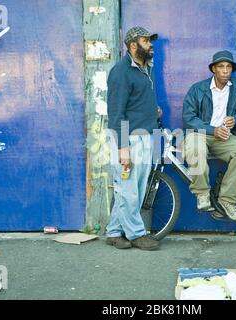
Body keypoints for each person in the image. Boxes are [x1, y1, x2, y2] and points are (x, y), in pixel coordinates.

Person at [106, 26, 161, 250]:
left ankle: (113, 232)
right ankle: (137, 234)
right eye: (146, 41)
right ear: (132, 45)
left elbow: (136, 100)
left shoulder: (145, 68)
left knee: (132, 188)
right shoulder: (121, 72)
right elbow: (116, 112)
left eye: (150, 40)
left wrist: (152, 109)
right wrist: (122, 147)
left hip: (146, 135)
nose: (150, 44)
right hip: (128, 139)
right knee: (128, 188)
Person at [182, 50, 236, 221]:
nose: (225, 70)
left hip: (225, 137)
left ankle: (227, 200)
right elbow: (188, 118)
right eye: (221, 66)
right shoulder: (198, 89)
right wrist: (213, 130)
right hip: (201, 134)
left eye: (228, 67)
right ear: (213, 69)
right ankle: (202, 193)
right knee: (195, 147)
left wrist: (235, 120)